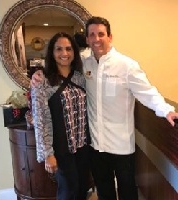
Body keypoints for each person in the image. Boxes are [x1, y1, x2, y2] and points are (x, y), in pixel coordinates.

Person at [31, 17, 178, 200]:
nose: (96, 39)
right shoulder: (85, 64)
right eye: (92, 34)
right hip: (95, 145)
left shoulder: (127, 66)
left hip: (121, 144)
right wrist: (39, 72)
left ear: (110, 36)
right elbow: (59, 65)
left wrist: (166, 110)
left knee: (127, 191)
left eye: (101, 34)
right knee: (104, 190)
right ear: (87, 40)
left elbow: (147, 93)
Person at [31, 32, 91, 200]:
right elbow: (40, 119)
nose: (64, 53)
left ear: (74, 52)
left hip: (83, 146)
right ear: (51, 52)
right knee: (68, 191)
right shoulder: (42, 80)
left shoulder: (80, 78)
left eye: (68, 49)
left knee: (82, 189)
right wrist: (48, 153)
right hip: (60, 148)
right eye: (59, 49)